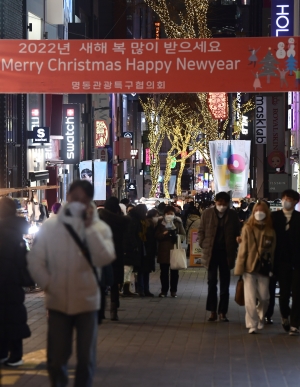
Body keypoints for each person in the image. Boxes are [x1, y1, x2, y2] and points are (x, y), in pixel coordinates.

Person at [27, 180, 115, 387]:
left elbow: (105, 258)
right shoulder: (51, 226)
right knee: (56, 359)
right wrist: (49, 284)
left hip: (87, 302)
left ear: (89, 202)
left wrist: (89, 229)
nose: (77, 203)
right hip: (58, 302)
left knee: (86, 359)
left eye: (83, 200)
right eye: (74, 198)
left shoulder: (99, 228)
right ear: (68, 197)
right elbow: (35, 260)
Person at [234, 201, 276, 334]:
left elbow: (273, 251)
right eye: (256, 210)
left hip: (264, 268)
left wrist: (273, 268)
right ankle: (252, 324)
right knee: (250, 298)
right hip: (249, 267)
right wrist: (239, 268)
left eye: (261, 210)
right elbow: (243, 249)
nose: (259, 213)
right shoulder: (247, 228)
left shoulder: (271, 230)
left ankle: (260, 316)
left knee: (265, 297)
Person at [198, 192, 240, 322]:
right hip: (211, 252)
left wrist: (235, 244)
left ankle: (223, 311)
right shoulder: (207, 213)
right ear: (215, 202)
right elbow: (201, 230)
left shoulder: (233, 215)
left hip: (226, 253)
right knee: (211, 282)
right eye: (219, 202)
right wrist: (203, 242)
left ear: (228, 203)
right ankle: (212, 311)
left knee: (225, 283)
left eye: (224, 203)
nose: (221, 205)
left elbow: (237, 231)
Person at [0, 198, 32, 367]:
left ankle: (13, 355)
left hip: (6, 281)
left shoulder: (4, 232)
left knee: (8, 318)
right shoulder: (15, 232)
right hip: (14, 282)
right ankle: (9, 354)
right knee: (12, 318)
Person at [271, 189, 300, 335]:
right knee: (283, 294)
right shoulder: (274, 217)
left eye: (290, 199)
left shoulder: (299, 218)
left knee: (297, 293)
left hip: (297, 262)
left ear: (296, 201)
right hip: (280, 262)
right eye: (285, 198)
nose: (287, 201)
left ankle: (295, 324)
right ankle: (284, 315)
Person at [98, 197, 129, 321]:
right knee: (115, 283)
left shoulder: (99, 218)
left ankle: (100, 312)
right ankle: (113, 310)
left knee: (100, 283)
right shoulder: (122, 221)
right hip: (116, 253)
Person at [155, 206, 185, 298]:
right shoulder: (160, 223)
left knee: (174, 273)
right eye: (168, 214)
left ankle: (173, 291)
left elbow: (183, 235)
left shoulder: (178, 222)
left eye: (171, 214)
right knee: (164, 273)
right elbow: (156, 236)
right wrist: (164, 234)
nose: (169, 215)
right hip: (163, 251)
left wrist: (177, 236)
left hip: (174, 249)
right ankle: (164, 291)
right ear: (164, 214)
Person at [122, 204, 146, 297]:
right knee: (127, 269)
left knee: (129, 269)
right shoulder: (133, 220)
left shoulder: (131, 218)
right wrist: (135, 245)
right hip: (129, 248)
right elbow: (130, 234)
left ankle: (126, 288)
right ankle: (124, 288)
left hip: (130, 247)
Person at [136, 208, 159, 297]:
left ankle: (145, 289)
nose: (157, 218)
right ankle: (142, 289)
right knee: (142, 271)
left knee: (146, 271)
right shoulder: (146, 224)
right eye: (156, 216)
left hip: (149, 251)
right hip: (145, 250)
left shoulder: (152, 224)